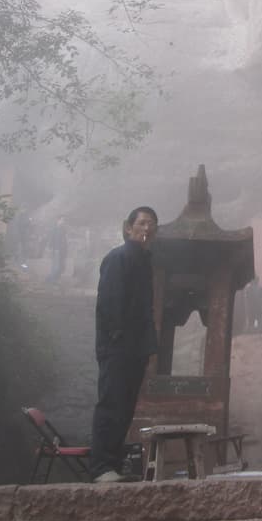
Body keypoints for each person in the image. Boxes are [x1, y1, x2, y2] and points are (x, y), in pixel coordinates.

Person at [89, 206, 159, 483]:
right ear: (128, 228)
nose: (147, 228)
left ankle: (112, 464)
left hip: (135, 348)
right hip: (117, 346)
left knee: (126, 405)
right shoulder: (118, 258)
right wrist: (117, 336)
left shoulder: (145, 262)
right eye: (141, 223)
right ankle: (100, 466)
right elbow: (109, 301)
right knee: (112, 402)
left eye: (152, 224)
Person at [47, 216, 69, 284]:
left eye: (64, 220)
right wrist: (50, 248)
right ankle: (51, 280)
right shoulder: (54, 229)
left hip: (61, 250)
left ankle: (53, 279)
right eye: (62, 220)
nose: (63, 221)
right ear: (58, 220)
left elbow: (65, 240)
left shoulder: (63, 229)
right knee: (55, 266)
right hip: (56, 250)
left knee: (61, 267)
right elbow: (52, 238)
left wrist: (65, 249)